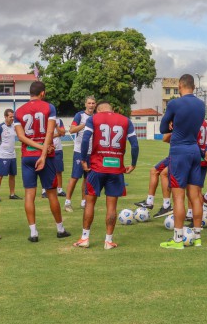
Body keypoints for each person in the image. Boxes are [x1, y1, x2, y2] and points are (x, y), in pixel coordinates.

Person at [73, 100, 138, 249]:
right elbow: (134, 145)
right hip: (116, 169)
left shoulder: (93, 118)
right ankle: (108, 241)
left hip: (97, 167)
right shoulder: (125, 120)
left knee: (90, 202)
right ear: (112, 109)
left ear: (97, 110)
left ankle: (85, 238)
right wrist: (133, 163)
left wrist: (83, 159)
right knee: (112, 206)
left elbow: (85, 139)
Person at [13, 81, 70, 242]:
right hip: (46, 156)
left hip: (27, 156)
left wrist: (36, 147)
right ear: (43, 93)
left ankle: (33, 233)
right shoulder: (49, 107)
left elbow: (21, 137)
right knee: (52, 193)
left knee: (29, 194)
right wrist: (43, 154)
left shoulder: (19, 111)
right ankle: (60, 229)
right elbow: (50, 133)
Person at [158, 74, 206, 249]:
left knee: (178, 196)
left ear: (179, 86)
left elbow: (163, 128)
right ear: (193, 86)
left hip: (179, 151)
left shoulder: (174, 104)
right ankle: (197, 237)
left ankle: (178, 239)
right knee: (195, 196)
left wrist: (172, 124)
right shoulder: (201, 104)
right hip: (195, 150)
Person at [64, 96, 96, 212]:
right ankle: (67, 202)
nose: (91, 105)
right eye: (89, 103)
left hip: (91, 152)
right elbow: (72, 130)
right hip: (79, 151)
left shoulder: (96, 117)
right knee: (75, 177)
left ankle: (84, 202)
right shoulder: (80, 115)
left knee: (87, 179)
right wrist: (85, 124)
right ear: (85, 104)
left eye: (93, 103)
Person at [0, 109, 21, 201]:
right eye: (10, 117)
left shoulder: (14, 127)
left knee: (12, 175)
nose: (12, 118)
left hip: (12, 155)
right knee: (0, 175)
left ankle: (12, 194)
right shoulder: (0, 127)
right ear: (5, 117)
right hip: (3, 155)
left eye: (13, 117)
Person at [133, 151, 172, 217]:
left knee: (160, 173)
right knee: (155, 171)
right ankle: (190, 214)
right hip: (180, 154)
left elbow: (166, 140)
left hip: (177, 155)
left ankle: (165, 205)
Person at [43, 118, 67, 199]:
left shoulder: (59, 120)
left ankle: (59, 190)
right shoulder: (44, 120)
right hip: (46, 149)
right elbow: (45, 135)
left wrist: (56, 126)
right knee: (44, 170)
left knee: (58, 170)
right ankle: (44, 190)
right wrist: (57, 134)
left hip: (58, 149)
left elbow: (63, 133)